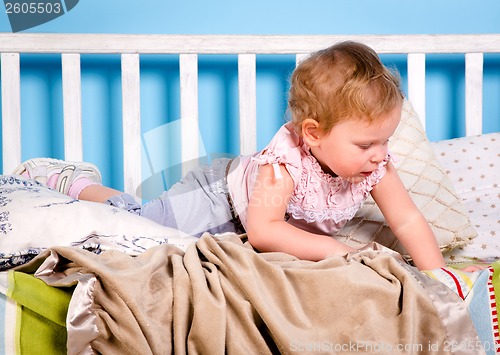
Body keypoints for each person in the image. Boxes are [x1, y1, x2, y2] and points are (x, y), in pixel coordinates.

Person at [12, 41, 478, 272]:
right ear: (313, 135)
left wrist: (436, 276)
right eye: (365, 145)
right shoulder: (284, 167)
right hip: (218, 201)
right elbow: (263, 229)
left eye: (385, 141)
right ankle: (65, 181)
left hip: (245, 220)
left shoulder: (375, 165)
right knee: (140, 222)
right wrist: (339, 252)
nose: (379, 157)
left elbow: (410, 221)